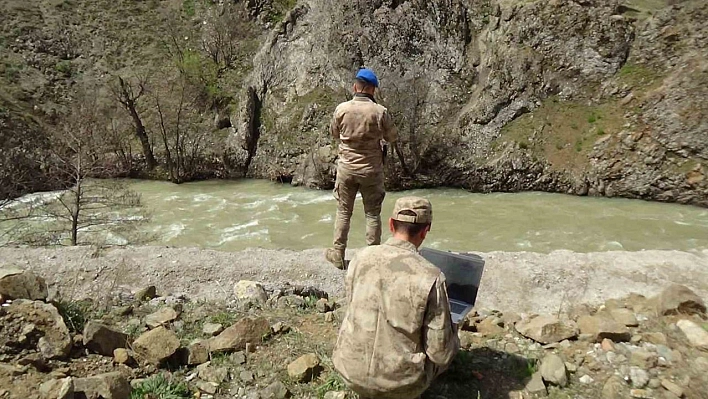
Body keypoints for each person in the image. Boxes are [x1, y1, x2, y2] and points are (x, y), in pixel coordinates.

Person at [332, 196, 459, 399]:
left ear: (391, 224)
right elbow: (439, 354)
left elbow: (352, 307)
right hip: (401, 386)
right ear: (426, 231)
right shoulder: (431, 276)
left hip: (349, 371)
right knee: (447, 341)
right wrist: (454, 334)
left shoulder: (360, 258)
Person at [325, 68, 397, 270]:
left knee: (343, 211)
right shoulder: (380, 112)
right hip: (371, 169)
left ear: (356, 86)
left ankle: (338, 254)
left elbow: (334, 133)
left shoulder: (342, 109)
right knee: (372, 214)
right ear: (372, 89)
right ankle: (372, 259)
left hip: (347, 167)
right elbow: (392, 137)